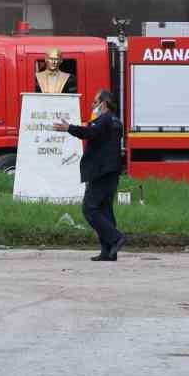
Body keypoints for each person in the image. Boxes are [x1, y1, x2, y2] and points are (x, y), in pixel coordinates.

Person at [51, 88, 125, 261]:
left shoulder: (104, 119)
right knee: (105, 210)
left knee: (89, 209)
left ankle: (116, 238)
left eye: (95, 102)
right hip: (111, 171)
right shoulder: (116, 121)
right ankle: (108, 252)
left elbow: (89, 133)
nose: (92, 105)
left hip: (100, 172)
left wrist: (69, 128)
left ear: (104, 104)